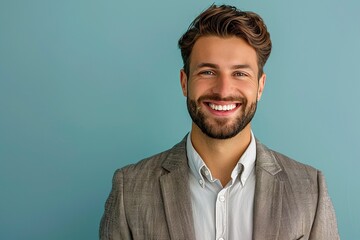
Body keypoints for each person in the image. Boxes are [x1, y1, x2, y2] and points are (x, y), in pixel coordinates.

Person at [100, 4, 339, 240]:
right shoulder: (129, 190)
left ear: (260, 86)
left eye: (240, 73)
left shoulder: (310, 189)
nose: (223, 91)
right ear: (185, 82)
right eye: (207, 72)